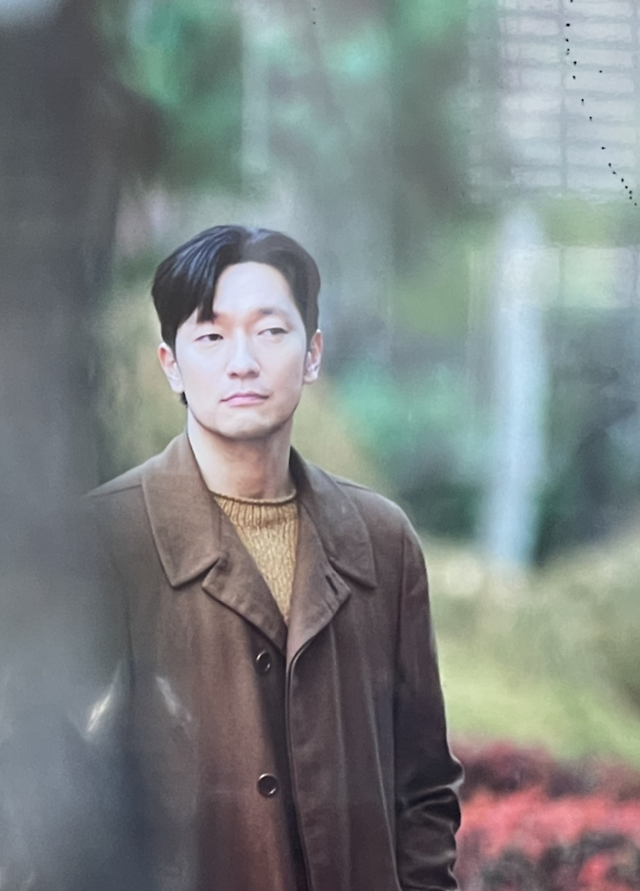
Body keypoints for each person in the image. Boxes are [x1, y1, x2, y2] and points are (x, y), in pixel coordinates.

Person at [84, 226, 463, 891]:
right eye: (211, 336)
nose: (242, 362)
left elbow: (424, 786)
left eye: (270, 331)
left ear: (312, 353)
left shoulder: (382, 542)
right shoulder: (103, 540)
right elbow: (62, 802)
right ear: (170, 363)